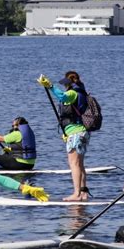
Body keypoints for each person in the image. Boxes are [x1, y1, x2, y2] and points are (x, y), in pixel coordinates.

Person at [37, 71, 90, 201]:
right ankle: (83, 193)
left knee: (74, 164)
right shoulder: (81, 91)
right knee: (80, 164)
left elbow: (62, 97)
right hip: (81, 132)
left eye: (65, 84)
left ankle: (77, 194)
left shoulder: (72, 93)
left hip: (76, 133)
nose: (65, 87)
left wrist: (50, 86)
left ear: (69, 83)